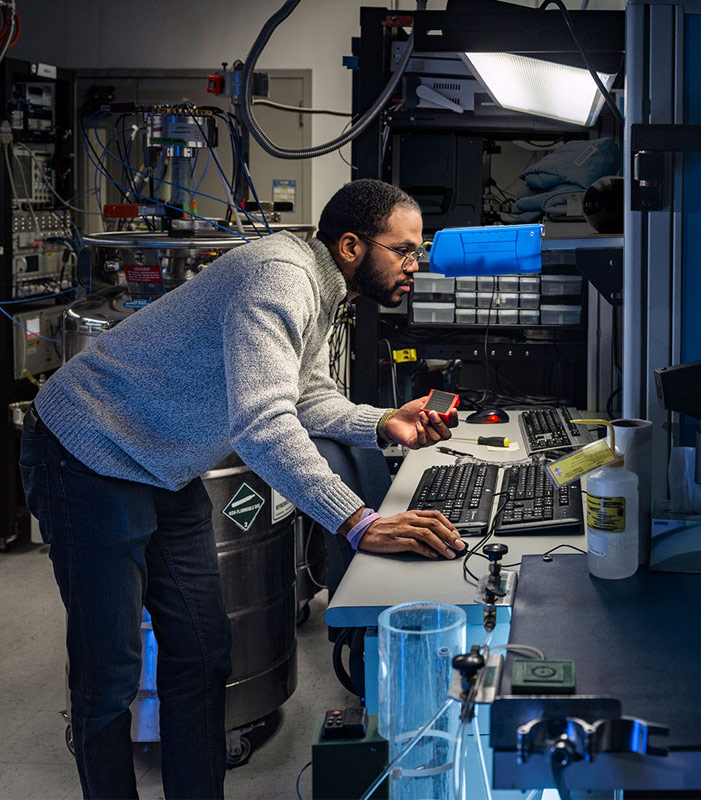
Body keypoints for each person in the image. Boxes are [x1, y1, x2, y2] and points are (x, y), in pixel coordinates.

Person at [19, 178, 465, 799]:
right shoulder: (280, 278)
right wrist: (357, 521)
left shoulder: (319, 283)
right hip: (86, 451)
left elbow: (303, 394)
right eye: (406, 250)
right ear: (353, 245)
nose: (416, 265)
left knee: (203, 655)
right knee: (109, 674)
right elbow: (262, 424)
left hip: (161, 464)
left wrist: (380, 422)